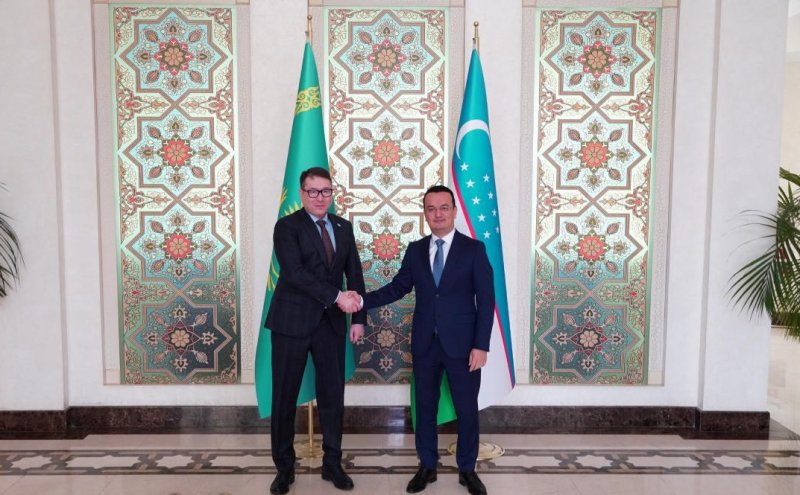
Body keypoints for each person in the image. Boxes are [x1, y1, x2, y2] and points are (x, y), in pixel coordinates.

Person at [359, 185, 493, 495]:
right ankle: (427, 466)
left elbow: (486, 301)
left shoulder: (474, 250)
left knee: (467, 409)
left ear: (454, 211)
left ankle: (467, 469)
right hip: (425, 344)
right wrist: (361, 301)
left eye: (443, 207)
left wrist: (481, 345)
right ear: (425, 214)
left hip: (464, 346)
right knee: (424, 407)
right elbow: (398, 287)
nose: (438, 214)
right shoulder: (416, 250)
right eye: (431, 209)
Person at [265, 167, 365, 494]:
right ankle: (284, 468)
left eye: (326, 191)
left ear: (332, 193)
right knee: (284, 397)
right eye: (313, 191)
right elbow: (295, 273)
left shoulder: (343, 227)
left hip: (331, 325)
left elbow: (354, 273)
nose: (320, 197)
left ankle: (332, 463)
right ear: (302, 194)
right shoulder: (287, 227)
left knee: (333, 397)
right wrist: (337, 297)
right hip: (291, 323)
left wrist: (359, 318)